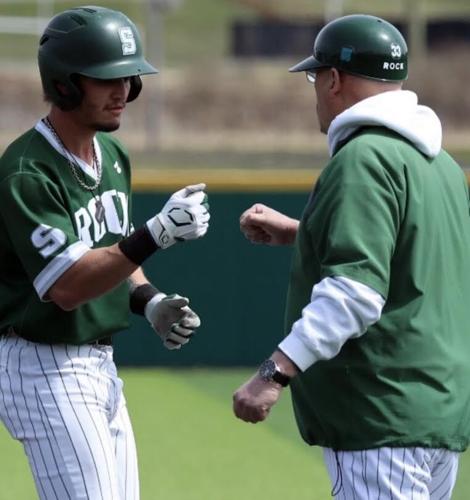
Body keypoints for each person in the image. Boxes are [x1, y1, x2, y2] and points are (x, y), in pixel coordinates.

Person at [233, 14, 470, 500]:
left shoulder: (364, 158)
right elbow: (413, 254)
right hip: (437, 413)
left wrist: (273, 373)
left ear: (334, 79)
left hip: (379, 414)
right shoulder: (442, 165)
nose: (316, 89)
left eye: (315, 76)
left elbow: (355, 295)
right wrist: (307, 234)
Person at [0, 6, 209, 500]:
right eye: (105, 78)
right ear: (67, 82)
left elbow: (112, 255)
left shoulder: (113, 157)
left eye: (129, 78)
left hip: (97, 365)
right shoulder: (28, 171)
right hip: (42, 363)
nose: (124, 91)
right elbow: (69, 285)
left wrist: (149, 301)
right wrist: (156, 233)